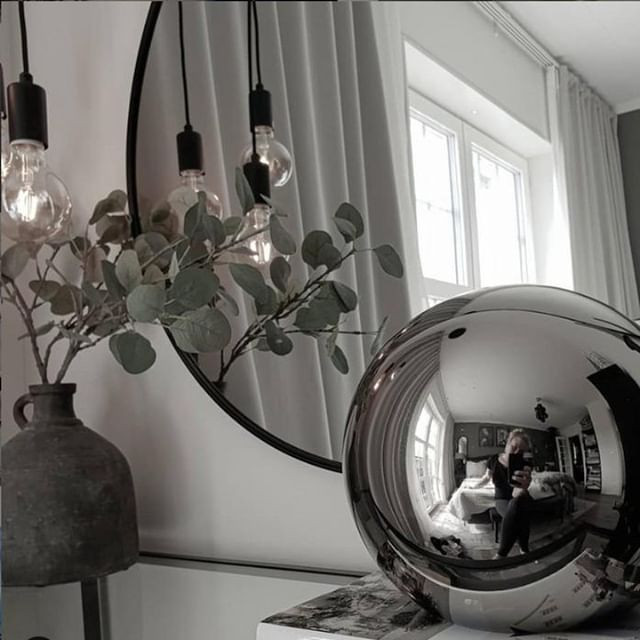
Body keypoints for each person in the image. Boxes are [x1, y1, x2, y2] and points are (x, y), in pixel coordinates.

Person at [473, 429, 533, 558]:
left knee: (518, 502)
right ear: (507, 444)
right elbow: (486, 477)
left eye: (521, 451)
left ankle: (501, 555)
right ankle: (524, 549)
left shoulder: (525, 464)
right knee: (520, 516)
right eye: (514, 447)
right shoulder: (493, 460)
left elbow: (524, 486)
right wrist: (475, 486)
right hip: (502, 499)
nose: (516, 453)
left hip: (521, 495)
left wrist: (525, 486)